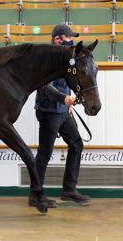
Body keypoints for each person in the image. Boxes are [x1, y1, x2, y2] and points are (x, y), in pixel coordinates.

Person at [28, 24, 91, 208]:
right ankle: (34, 195)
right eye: (67, 37)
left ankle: (69, 189)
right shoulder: (46, 58)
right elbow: (44, 86)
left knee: (76, 144)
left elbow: (70, 77)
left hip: (63, 111)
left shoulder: (67, 57)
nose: (70, 40)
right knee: (45, 153)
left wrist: (68, 102)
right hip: (48, 111)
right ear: (57, 39)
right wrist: (64, 98)